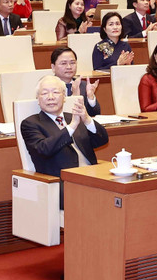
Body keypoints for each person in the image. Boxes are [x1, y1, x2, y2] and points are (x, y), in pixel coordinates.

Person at [20, 76, 109, 208]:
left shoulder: (73, 116)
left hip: (92, 177)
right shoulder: (31, 123)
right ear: (38, 99)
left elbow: (101, 140)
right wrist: (71, 127)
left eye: (56, 92)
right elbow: (44, 149)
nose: (50, 97)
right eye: (44, 93)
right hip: (63, 183)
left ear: (64, 97)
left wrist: (87, 120)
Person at [49, 47, 101, 116]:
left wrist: (90, 97)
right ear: (53, 67)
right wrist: (74, 97)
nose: (69, 67)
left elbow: (95, 114)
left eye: (72, 63)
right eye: (63, 63)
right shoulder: (48, 87)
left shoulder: (83, 85)